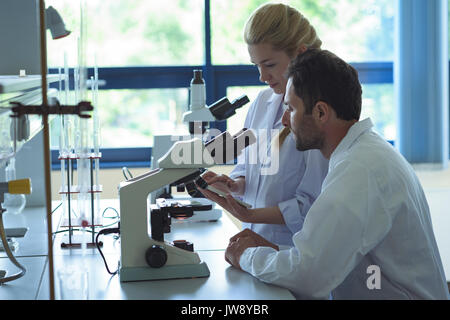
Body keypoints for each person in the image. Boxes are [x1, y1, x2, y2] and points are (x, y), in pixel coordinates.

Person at [215, 49, 450, 300]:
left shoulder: (359, 170)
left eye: (291, 109)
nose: (284, 120)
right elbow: (327, 257)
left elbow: (309, 277)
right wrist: (272, 250)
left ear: (320, 113)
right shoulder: (363, 153)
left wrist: (245, 255)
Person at [200, 3, 329, 247]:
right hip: (255, 247)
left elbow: (313, 205)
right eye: (256, 66)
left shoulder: (319, 115)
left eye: (269, 65)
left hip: (293, 251)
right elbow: (249, 165)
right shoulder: (262, 102)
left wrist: (247, 215)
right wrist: (234, 185)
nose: (262, 76)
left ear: (300, 55)